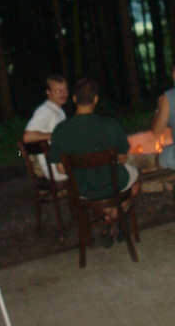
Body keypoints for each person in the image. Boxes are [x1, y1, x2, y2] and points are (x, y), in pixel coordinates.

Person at [49, 77, 140, 248]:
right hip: (113, 185)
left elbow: (61, 169)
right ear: (96, 99)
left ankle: (108, 218)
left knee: (104, 186)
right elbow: (122, 158)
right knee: (137, 178)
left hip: (83, 189)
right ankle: (115, 217)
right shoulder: (111, 125)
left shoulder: (60, 130)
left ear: (74, 99)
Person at [22, 74, 69, 182]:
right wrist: (54, 135)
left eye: (65, 90)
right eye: (58, 91)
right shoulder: (45, 111)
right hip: (54, 169)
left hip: (62, 161)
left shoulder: (60, 111)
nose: (63, 94)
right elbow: (27, 137)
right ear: (48, 92)